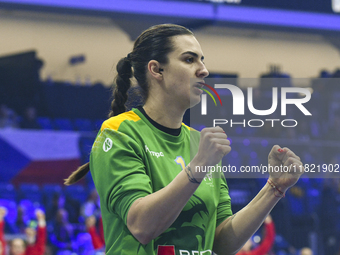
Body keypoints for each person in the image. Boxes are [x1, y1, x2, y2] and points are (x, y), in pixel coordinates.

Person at [65, 24, 304, 255]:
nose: (203, 70)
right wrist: (198, 166)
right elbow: (142, 226)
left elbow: (221, 243)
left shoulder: (199, 143)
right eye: (190, 60)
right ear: (157, 70)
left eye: (202, 60)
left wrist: (274, 188)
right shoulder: (120, 132)